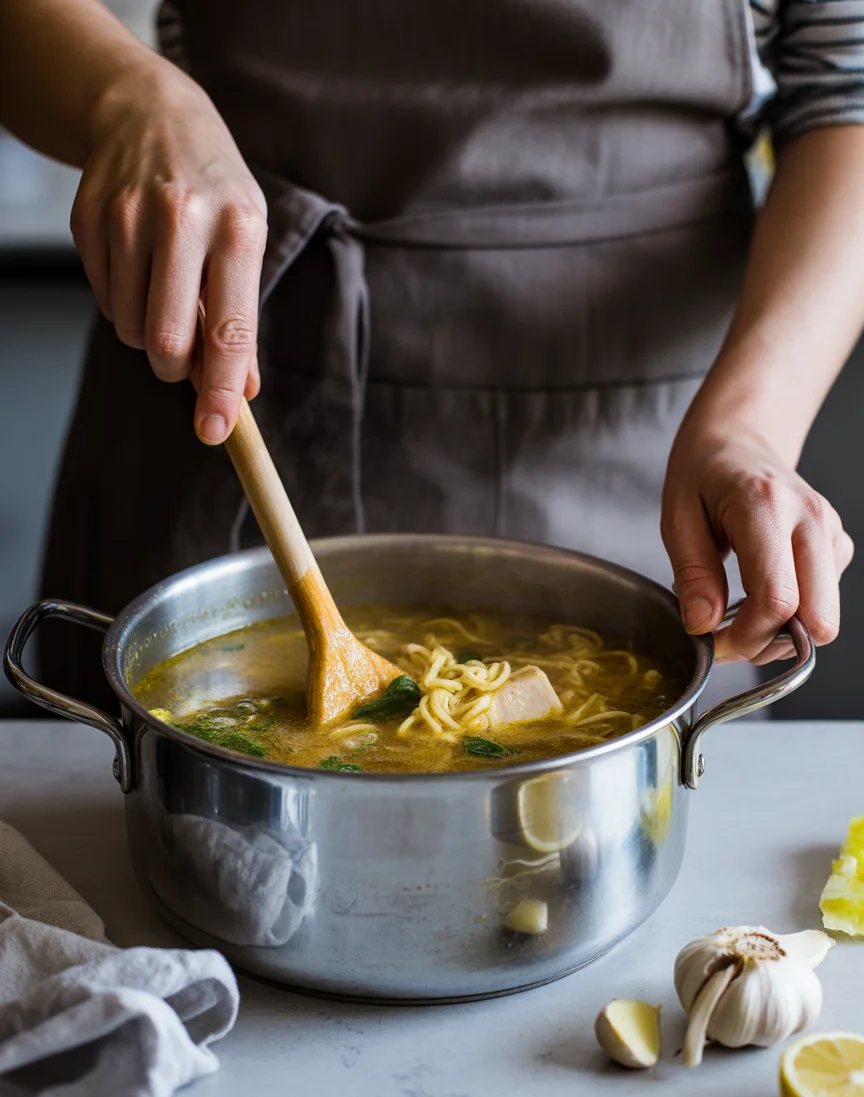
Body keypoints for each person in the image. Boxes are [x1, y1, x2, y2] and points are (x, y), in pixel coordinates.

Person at [0, 0, 857, 713]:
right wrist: (127, 96)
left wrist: (749, 428)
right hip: (220, 360)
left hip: (633, 439)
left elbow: (846, 91)